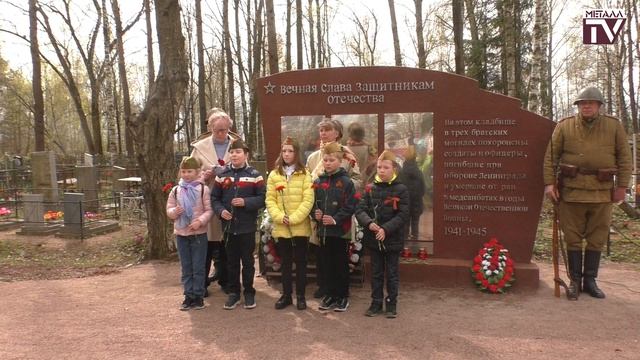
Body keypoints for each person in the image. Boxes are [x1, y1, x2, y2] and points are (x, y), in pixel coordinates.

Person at [543, 86, 632, 300]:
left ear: (599, 106)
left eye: (591, 103)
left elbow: (624, 158)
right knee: (572, 238)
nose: (587, 106)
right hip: (571, 193)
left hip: (601, 193)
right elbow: (550, 158)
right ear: (578, 106)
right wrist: (549, 184)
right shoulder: (564, 127)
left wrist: (621, 187)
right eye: (583, 103)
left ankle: (590, 281)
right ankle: (575, 281)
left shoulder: (614, 126)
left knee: (597, 237)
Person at [306, 117, 362, 299]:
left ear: (337, 133)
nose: (322, 133)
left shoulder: (347, 154)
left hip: (339, 213)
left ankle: (340, 291)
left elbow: (357, 180)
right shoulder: (313, 157)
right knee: (321, 251)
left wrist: (341, 188)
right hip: (320, 212)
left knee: (338, 254)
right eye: (321, 130)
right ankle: (324, 286)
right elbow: (307, 182)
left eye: (327, 130)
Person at [211, 139, 265, 310]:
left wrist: (246, 202)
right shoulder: (222, 175)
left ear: (246, 155)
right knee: (231, 261)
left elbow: (263, 198)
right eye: (232, 152)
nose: (234, 155)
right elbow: (214, 198)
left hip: (247, 227)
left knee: (248, 262)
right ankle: (234, 293)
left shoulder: (255, 175)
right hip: (228, 227)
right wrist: (220, 211)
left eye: (238, 152)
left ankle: (249, 292)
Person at [191, 108, 239, 296]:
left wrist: (227, 171)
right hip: (206, 200)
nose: (222, 133)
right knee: (206, 243)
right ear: (210, 128)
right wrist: (205, 174)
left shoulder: (237, 145)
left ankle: (227, 280)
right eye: (218, 130)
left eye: (225, 129)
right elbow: (189, 174)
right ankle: (201, 283)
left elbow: (246, 169)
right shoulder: (199, 148)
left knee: (227, 243)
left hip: (229, 200)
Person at [355, 150, 409, 318]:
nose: (382, 170)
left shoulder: (401, 189)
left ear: (394, 169)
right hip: (374, 239)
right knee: (376, 273)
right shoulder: (370, 188)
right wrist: (370, 223)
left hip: (392, 239)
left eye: (386, 167)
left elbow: (403, 214)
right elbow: (360, 209)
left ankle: (391, 304)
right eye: (379, 167)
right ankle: (376, 303)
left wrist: (386, 229)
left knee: (392, 274)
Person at [265, 137, 314, 310]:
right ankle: (286, 295)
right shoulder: (274, 174)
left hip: (299, 226)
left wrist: (294, 218)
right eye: (284, 151)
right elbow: (270, 199)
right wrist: (280, 217)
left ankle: (300, 296)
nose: (287, 154)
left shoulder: (305, 174)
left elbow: (308, 199)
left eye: (290, 151)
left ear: (296, 153)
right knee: (285, 262)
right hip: (282, 226)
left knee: (301, 262)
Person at [312, 142, 357, 312]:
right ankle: (330, 294)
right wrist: (315, 213)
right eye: (325, 160)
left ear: (340, 161)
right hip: (323, 232)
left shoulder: (347, 182)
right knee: (326, 264)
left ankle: (342, 296)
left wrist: (336, 219)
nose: (328, 163)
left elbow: (350, 205)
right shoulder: (318, 182)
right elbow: (313, 203)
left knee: (340, 264)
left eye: (331, 160)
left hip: (340, 231)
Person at [166, 156, 213, 310]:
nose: (186, 174)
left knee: (198, 266)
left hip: (198, 235)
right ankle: (188, 296)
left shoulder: (203, 190)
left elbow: (209, 210)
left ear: (197, 172)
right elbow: (169, 210)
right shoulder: (176, 190)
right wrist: (175, 212)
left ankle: (198, 296)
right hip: (181, 234)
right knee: (186, 267)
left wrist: (200, 221)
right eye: (183, 171)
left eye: (189, 171)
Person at [398, 146, 426, 240]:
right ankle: (415, 238)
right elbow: (423, 188)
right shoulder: (418, 171)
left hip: (405, 200)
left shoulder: (402, 171)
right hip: (416, 201)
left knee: (405, 222)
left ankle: (405, 240)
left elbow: (399, 186)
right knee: (415, 221)